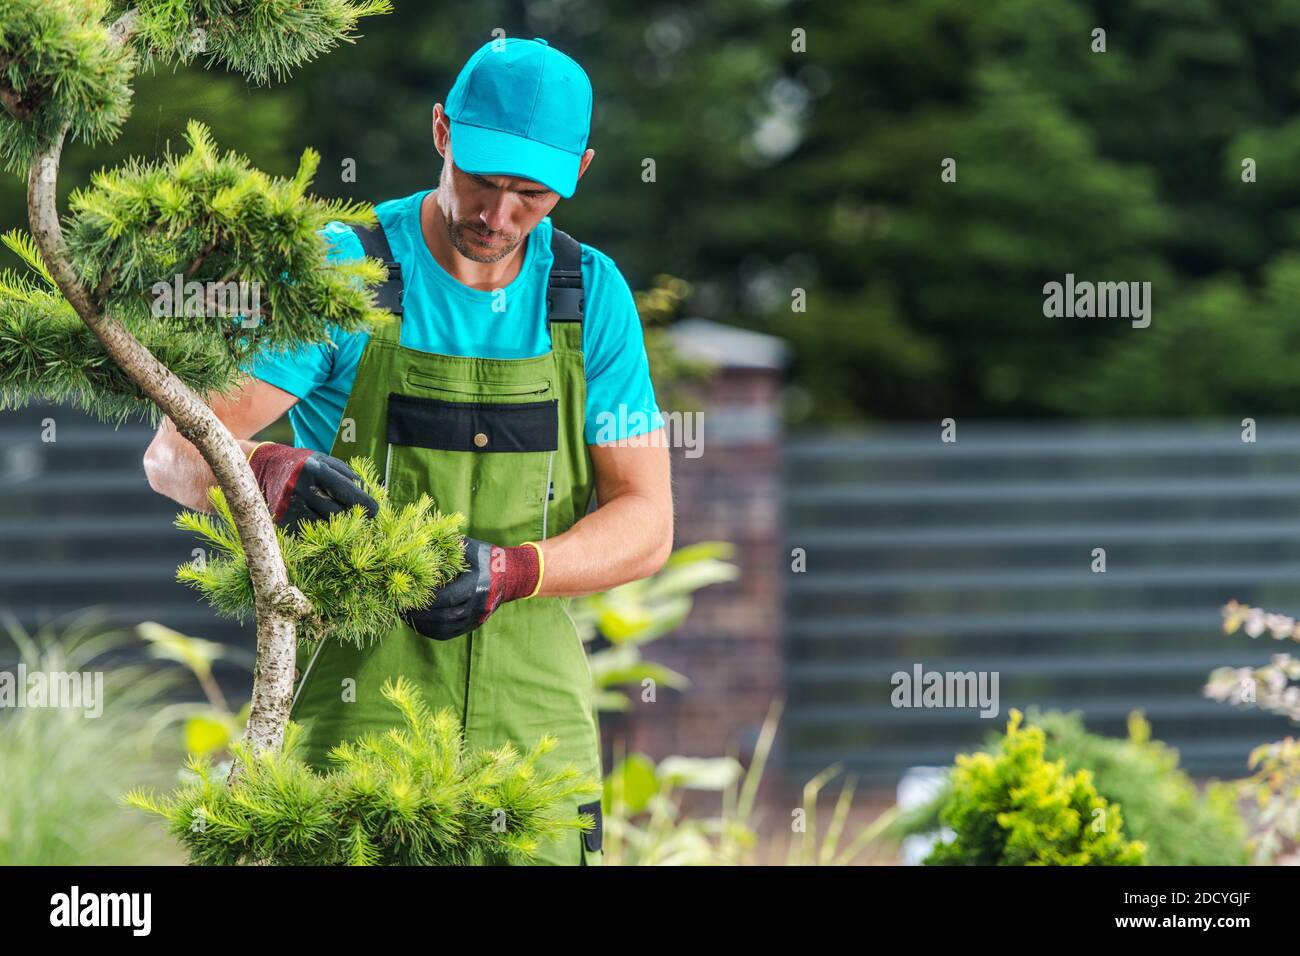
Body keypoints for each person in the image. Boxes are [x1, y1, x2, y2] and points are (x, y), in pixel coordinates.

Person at [143, 36, 674, 865]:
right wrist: (264, 471)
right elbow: (173, 449)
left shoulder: (588, 296)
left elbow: (647, 519)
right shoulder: (345, 269)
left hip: (534, 743)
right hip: (354, 727)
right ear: (440, 134)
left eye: (531, 194)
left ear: (581, 169)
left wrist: (510, 571)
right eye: (482, 182)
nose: (499, 217)